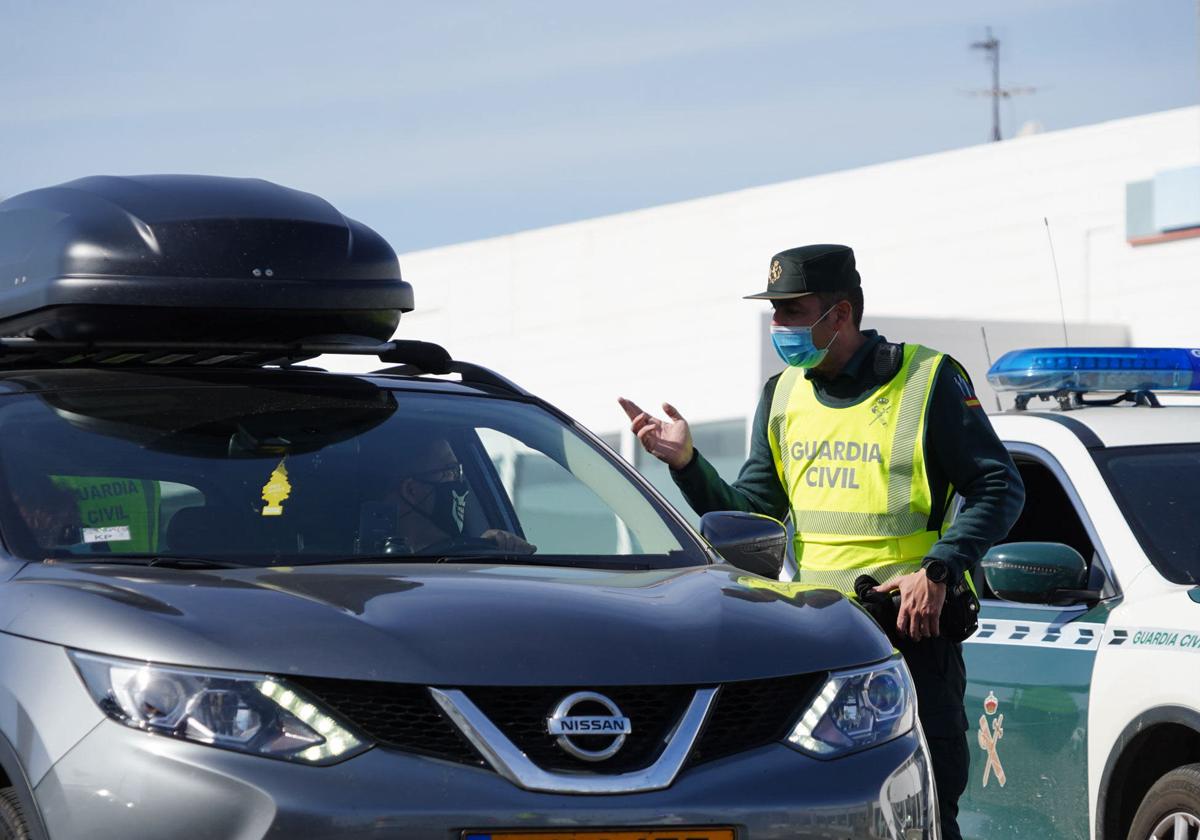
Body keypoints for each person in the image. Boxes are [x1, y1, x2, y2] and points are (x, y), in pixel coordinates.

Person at [619, 243, 1024, 840]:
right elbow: (753, 517)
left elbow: (999, 485)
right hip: (812, 644)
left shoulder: (928, 378)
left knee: (925, 813)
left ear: (840, 314)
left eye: (792, 310)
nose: (779, 325)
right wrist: (686, 463)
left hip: (907, 642)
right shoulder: (781, 395)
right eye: (776, 311)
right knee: (815, 816)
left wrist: (939, 569)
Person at [386, 437, 535, 555]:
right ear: (411, 490)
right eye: (449, 471)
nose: (459, 483)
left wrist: (491, 548)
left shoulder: (475, 559)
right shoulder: (378, 574)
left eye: (458, 471)